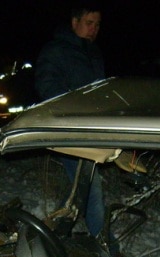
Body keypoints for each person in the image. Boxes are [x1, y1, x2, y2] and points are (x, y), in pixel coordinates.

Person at [35, 7, 109, 244]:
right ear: (74, 22)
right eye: (89, 23)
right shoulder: (56, 50)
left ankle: (52, 236)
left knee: (77, 190)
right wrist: (73, 108)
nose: (93, 29)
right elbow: (47, 86)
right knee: (90, 188)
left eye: (97, 24)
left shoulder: (93, 52)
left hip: (92, 131)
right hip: (69, 131)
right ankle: (105, 246)